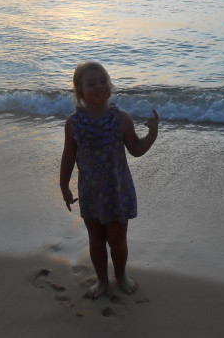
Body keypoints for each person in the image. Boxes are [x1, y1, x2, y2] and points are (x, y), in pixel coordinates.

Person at [60, 61, 159, 299]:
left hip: (117, 191)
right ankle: (102, 281)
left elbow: (135, 149)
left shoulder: (121, 119)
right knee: (96, 239)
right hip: (90, 193)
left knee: (117, 241)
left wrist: (152, 134)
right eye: (91, 83)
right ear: (79, 92)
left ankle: (121, 275)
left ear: (110, 85)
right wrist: (63, 186)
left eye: (103, 81)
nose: (99, 86)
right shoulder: (74, 123)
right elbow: (69, 155)